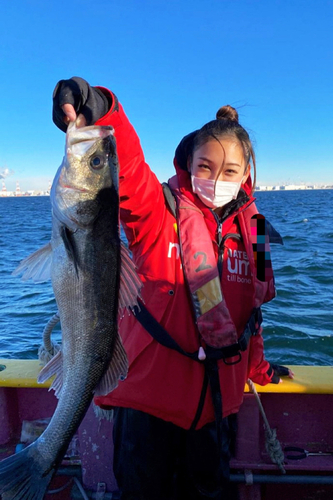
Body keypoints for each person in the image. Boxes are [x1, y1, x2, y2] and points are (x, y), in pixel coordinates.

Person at [52, 77, 294, 500]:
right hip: (147, 411)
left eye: (230, 171)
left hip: (218, 413)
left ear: (246, 175)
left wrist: (259, 369)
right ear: (188, 163)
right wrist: (100, 107)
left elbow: (251, 316)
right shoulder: (157, 209)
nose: (216, 178)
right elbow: (125, 167)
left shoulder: (255, 233)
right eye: (205, 167)